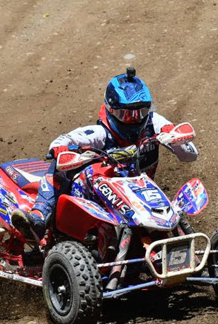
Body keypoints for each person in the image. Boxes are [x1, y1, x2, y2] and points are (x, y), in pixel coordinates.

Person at [11, 67, 199, 242]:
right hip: (101, 197)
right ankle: (40, 216)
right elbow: (62, 141)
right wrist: (62, 150)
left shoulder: (153, 123)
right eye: (126, 115)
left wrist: (173, 138)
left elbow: (190, 155)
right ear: (111, 110)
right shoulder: (100, 133)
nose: (134, 119)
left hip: (141, 196)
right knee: (59, 167)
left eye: (141, 112)